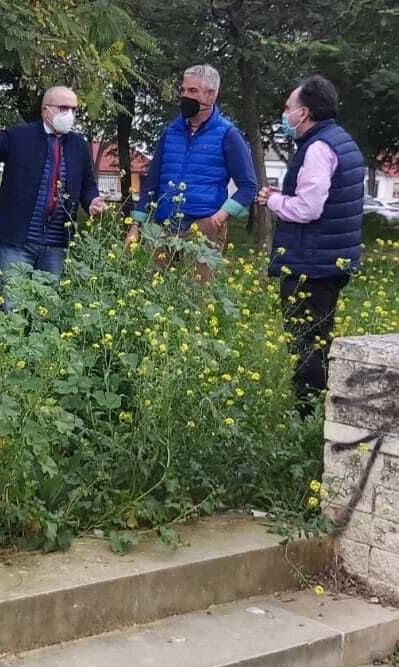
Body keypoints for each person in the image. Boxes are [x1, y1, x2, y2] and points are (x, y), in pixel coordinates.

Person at [256, 75, 365, 417]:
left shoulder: (318, 149)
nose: (284, 115)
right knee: (317, 340)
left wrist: (273, 202)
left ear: (303, 113)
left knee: (307, 346)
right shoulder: (340, 140)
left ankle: (309, 416)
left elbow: (308, 208)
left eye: (288, 109)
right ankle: (318, 414)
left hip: (311, 263)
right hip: (328, 260)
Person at [0, 86, 105, 289]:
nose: (69, 114)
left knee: (47, 309)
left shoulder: (78, 145)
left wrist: (93, 201)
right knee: (11, 306)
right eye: (63, 107)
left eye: (74, 109)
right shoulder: (19, 136)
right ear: (45, 110)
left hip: (56, 243)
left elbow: (87, 185)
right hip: (17, 241)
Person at [129, 64, 259, 281]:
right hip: (163, 228)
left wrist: (220, 217)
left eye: (192, 91)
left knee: (195, 299)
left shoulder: (228, 134)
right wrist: (136, 225)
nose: (184, 96)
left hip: (203, 227)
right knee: (150, 293)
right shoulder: (170, 132)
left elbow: (248, 186)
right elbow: (151, 183)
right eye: (183, 90)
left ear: (211, 94)